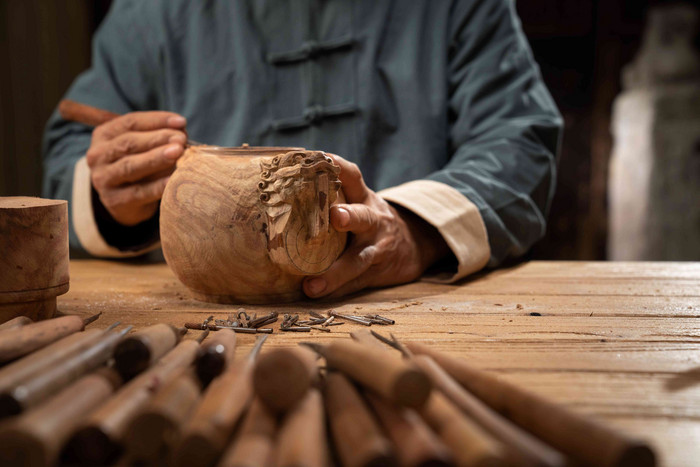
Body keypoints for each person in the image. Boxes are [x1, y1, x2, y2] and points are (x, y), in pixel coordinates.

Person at [43, 0, 562, 299]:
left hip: (417, 312)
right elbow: (70, 152)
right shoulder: (152, 11)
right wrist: (113, 190)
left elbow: (517, 137)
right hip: (201, 325)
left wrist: (414, 228)